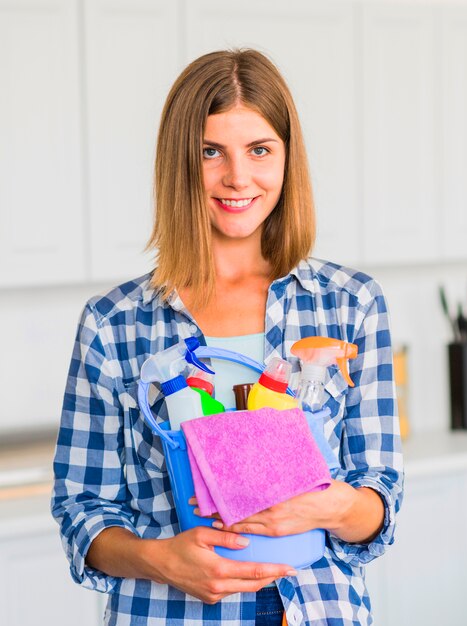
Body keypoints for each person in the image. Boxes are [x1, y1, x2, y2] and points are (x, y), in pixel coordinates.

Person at [51, 48, 404, 626]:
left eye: (260, 150)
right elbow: (80, 510)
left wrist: (337, 505)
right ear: (178, 164)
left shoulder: (349, 303)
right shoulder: (114, 323)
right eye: (210, 152)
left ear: (288, 159)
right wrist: (161, 560)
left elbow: (380, 495)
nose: (237, 177)